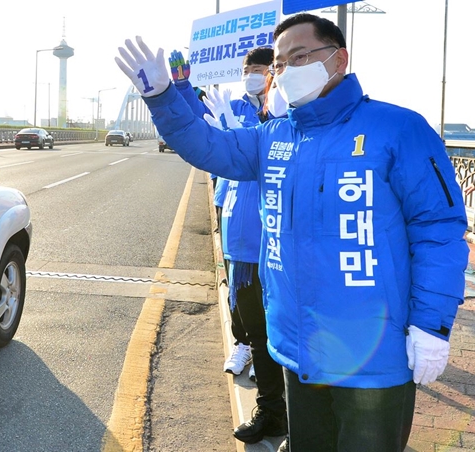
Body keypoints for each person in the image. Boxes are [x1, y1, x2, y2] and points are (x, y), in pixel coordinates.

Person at [115, 13, 468, 452]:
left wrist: (431, 324)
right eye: (279, 64)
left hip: (374, 358)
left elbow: (439, 230)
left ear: (338, 59)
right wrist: (164, 96)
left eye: (299, 57)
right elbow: (207, 146)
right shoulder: (272, 137)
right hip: (298, 349)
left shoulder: (398, 129)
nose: (285, 71)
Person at [169, 47, 288, 445]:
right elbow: (200, 127)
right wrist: (180, 90)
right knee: (254, 330)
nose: (255, 76)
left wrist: (259, 121)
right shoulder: (234, 107)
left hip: (273, 246)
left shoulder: (287, 116)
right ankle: (273, 412)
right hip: (242, 238)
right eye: (250, 69)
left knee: (280, 336)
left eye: (266, 69)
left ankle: (290, 413)